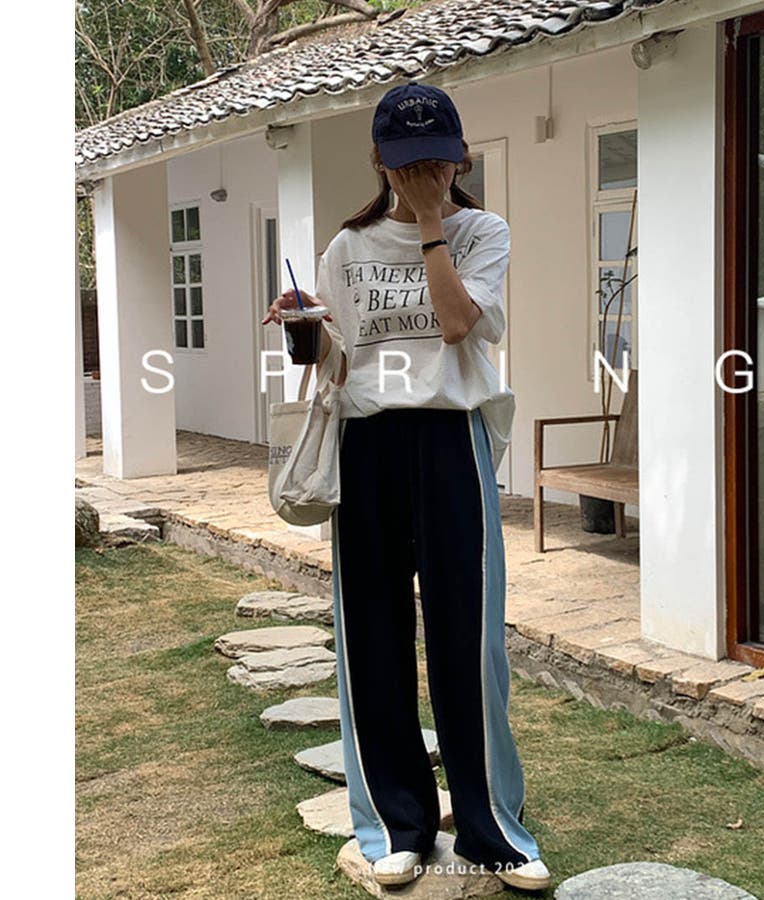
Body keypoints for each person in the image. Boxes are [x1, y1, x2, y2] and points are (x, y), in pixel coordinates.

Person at [263, 81, 551, 892]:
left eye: (435, 161)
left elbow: (457, 325)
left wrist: (430, 225)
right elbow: (340, 362)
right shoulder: (347, 247)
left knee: (469, 640)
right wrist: (305, 328)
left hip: (452, 437)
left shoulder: (481, 232)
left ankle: (493, 831)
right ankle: (394, 825)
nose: (422, 175)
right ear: (379, 162)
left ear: (459, 159)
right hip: (368, 442)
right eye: (406, 163)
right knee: (372, 636)